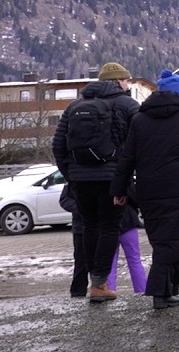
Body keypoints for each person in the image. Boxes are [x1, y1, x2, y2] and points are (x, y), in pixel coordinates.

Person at [111, 69, 179, 310]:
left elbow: (127, 158)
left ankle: (174, 283)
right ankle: (160, 291)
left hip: (149, 188)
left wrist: (119, 190)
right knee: (173, 238)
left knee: (164, 238)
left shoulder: (140, 119)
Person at [51, 61, 140, 303]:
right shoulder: (127, 105)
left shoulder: (74, 106)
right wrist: (127, 177)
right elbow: (139, 141)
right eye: (126, 80)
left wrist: (71, 175)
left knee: (89, 226)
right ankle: (100, 283)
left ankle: (95, 282)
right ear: (119, 82)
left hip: (80, 181)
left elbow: (58, 146)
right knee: (110, 227)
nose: (128, 84)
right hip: (112, 179)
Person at [107, 195, 146, 296]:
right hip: (127, 220)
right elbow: (136, 198)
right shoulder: (125, 181)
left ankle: (109, 291)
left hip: (107, 224)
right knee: (134, 260)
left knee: (110, 263)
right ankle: (142, 291)